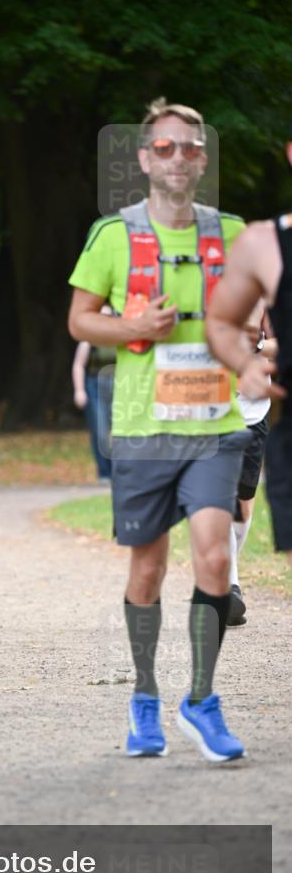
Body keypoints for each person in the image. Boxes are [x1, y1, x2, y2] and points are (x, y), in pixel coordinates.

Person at [69, 98, 251, 762]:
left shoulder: (232, 233)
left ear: (201, 157)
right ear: (145, 159)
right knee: (145, 567)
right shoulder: (112, 235)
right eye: (165, 148)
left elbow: (262, 307)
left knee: (211, 553)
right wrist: (130, 328)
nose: (178, 157)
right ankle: (144, 695)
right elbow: (79, 320)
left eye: (190, 147)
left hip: (214, 424)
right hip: (144, 427)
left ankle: (200, 699)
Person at [205, 134, 291, 566]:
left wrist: (260, 345)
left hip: (252, 404)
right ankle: (230, 582)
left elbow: (270, 338)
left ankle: (231, 566)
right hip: (207, 398)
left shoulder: (264, 280)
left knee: (243, 496)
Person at [226, 304, 277, 627]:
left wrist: (254, 347)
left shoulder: (265, 291)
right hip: (209, 412)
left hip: (252, 414)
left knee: (243, 508)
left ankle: (225, 570)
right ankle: (229, 586)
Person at [72, 333, 116, 482]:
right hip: (95, 386)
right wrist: (79, 391)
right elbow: (78, 365)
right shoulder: (89, 341)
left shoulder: (121, 338)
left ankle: (118, 471)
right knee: (100, 430)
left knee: (119, 432)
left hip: (119, 385)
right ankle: (105, 473)